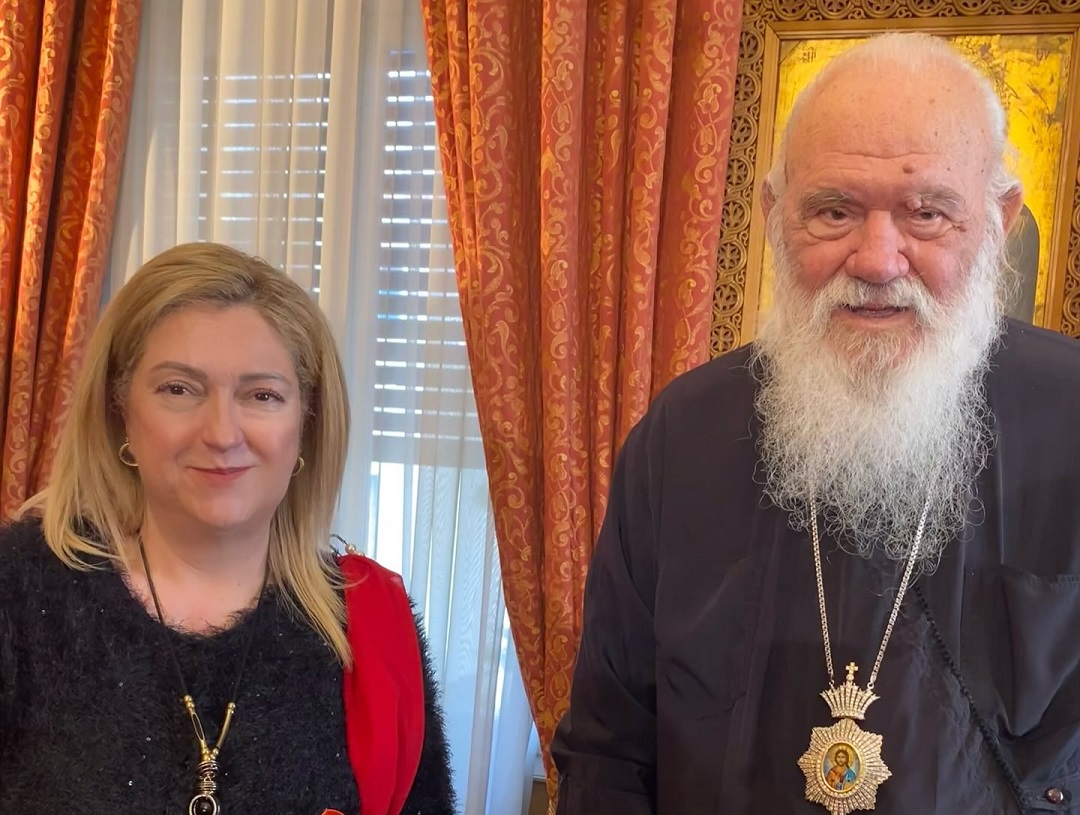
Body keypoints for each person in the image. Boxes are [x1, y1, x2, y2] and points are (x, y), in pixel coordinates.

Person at [551, 32, 1080, 814]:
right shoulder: (682, 437)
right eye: (834, 211)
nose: (877, 260)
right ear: (775, 215)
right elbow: (609, 751)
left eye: (927, 213)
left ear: (999, 221)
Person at [0, 243, 456, 814]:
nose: (221, 433)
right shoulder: (16, 592)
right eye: (178, 389)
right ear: (120, 409)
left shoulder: (372, 627)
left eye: (262, 395)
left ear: (306, 422)